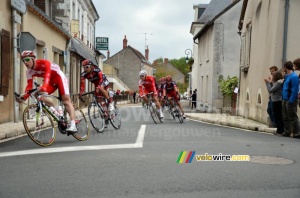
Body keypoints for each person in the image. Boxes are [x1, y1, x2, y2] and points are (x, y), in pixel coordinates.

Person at [16, 50, 77, 132]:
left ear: (33, 59)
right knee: (37, 95)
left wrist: (44, 87)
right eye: (23, 60)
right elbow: (29, 87)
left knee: (66, 101)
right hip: (51, 82)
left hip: (59, 78)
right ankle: (57, 111)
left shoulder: (45, 63)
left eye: (27, 60)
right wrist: (24, 97)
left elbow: (47, 75)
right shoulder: (29, 72)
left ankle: (73, 125)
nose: (25, 62)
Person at [281, 61, 299, 137]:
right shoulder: (287, 76)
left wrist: (291, 100)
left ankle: (296, 132)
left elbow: (294, 89)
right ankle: (287, 131)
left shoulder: (294, 77)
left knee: (292, 117)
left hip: (290, 99)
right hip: (285, 99)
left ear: (285, 67)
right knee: (285, 117)